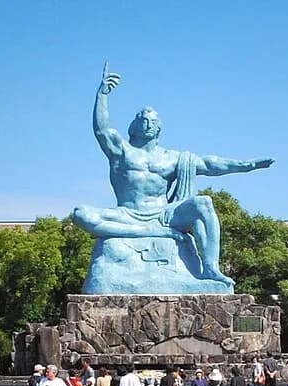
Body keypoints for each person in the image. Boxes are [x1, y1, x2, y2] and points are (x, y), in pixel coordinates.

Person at [69, 62, 273, 288]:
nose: (148, 124)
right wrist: (102, 95)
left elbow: (209, 164)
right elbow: (102, 129)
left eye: (153, 122)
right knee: (81, 214)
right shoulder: (121, 151)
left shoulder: (173, 158)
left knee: (203, 203)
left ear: (159, 128)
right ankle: (149, 232)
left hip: (164, 214)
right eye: (143, 120)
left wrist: (245, 165)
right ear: (133, 126)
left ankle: (211, 268)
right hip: (126, 214)